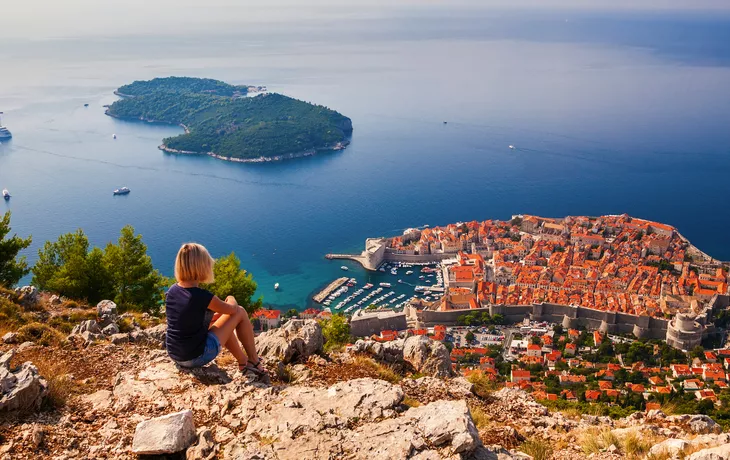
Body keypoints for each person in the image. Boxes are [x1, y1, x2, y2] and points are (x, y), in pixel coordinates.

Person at [165, 242, 266, 376]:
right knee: (240, 311)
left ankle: (243, 361)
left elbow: (188, 320)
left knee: (221, 319)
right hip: (195, 357)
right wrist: (231, 297)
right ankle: (253, 360)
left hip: (175, 354)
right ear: (201, 267)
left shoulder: (172, 290)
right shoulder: (202, 296)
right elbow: (233, 309)